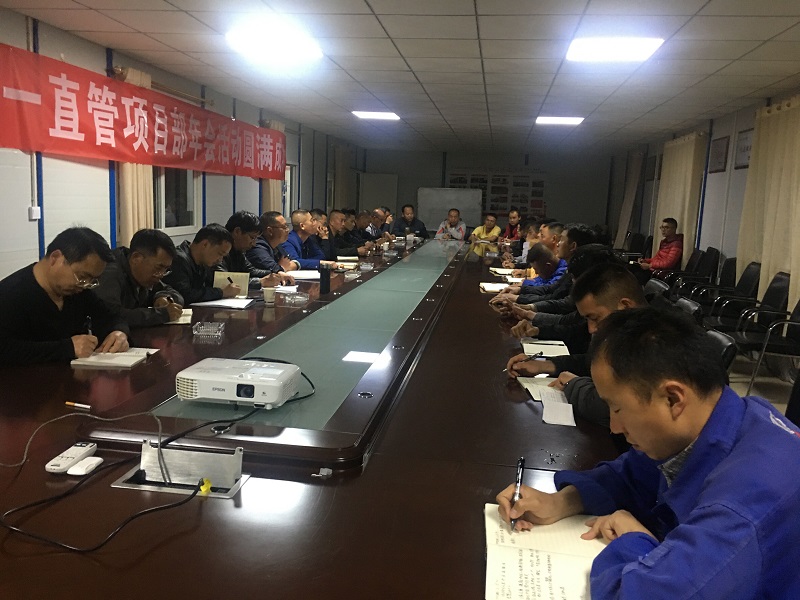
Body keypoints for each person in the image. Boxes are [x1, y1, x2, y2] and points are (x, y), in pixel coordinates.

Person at [497, 306, 800, 599]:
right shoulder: (720, 417)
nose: (614, 427)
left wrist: (634, 540)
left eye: (617, 408)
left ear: (673, 399)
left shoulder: (748, 499)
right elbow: (633, 473)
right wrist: (562, 501)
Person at [506, 263, 647, 428]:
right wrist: (544, 365)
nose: (591, 329)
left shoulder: (651, 345)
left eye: (594, 318)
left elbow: (610, 408)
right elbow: (590, 361)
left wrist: (573, 385)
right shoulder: (629, 331)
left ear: (625, 306)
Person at [0, 227, 129, 364]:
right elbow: (5, 349)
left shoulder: (77, 291)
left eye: (92, 280)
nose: (85, 285)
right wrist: (67, 348)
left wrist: (119, 332)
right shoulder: (10, 294)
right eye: (82, 276)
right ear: (55, 258)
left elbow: (111, 316)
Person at [93, 228, 184, 327]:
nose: (161, 275)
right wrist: (161, 314)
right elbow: (110, 316)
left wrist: (162, 297)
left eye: (166, 269)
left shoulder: (146, 275)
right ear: (136, 258)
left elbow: (174, 293)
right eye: (159, 268)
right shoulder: (110, 273)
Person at [163, 223, 239, 305]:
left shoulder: (204, 261)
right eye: (220, 254)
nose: (220, 260)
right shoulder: (178, 259)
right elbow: (184, 295)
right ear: (205, 244)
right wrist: (222, 292)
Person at [221, 211, 294, 289]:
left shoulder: (238, 250)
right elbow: (222, 281)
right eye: (252, 237)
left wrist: (276, 273)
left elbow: (251, 271)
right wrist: (260, 282)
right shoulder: (220, 250)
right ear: (237, 231)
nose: (254, 244)